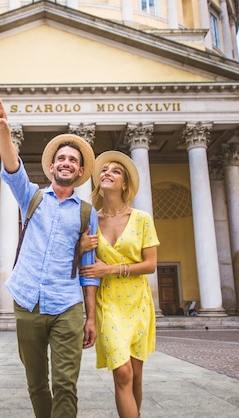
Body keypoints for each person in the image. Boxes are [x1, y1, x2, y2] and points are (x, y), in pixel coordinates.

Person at [0, 93, 100, 418]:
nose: (66, 163)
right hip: (27, 302)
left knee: (66, 384)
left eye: (73, 161)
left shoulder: (86, 214)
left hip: (67, 305)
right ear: (51, 166)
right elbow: (12, 167)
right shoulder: (32, 198)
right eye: (61, 159)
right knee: (37, 384)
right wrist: (3, 131)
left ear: (79, 171)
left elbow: (88, 269)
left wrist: (91, 317)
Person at [79, 151, 159, 418]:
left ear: (125, 184)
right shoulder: (91, 220)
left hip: (138, 302)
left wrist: (111, 268)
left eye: (115, 171)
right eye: (104, 170)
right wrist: (80, 248)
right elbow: (85, 266)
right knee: (122, 373)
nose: (107, 173)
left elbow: (150, 265)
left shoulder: (141, 218)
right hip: (108, 302)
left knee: (135, 375)